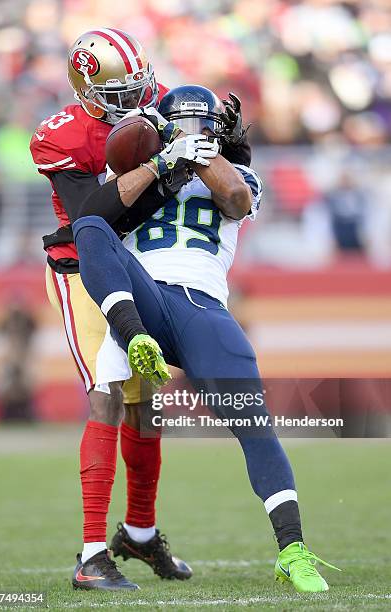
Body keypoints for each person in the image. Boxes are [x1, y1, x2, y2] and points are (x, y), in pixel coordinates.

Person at [73, 85, 341, 594]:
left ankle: (292, 549)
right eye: (184, 125)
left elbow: (236, 199)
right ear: (161, 129)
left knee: (253, 423)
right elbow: (95, 214)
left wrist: (202, 153)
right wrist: (163, 159)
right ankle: (132, 337)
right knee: (89, 228)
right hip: (142, 297)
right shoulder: (141, 171)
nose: (195, 133)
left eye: (205, 125)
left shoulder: (239, 174)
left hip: (202, 307)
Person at [30, 29, 251, 591]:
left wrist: (222, 146)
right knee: (106, 395)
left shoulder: (163, 101)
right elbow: (95, 221)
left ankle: (141, 533)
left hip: (137, 267)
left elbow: (221, 167)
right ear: (87, 90)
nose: (139, 103)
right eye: (121, 95)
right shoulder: (62, 137)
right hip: (82, 268)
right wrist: (163, 167)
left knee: (144, 407)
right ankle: (91, 552)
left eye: (141, 88)